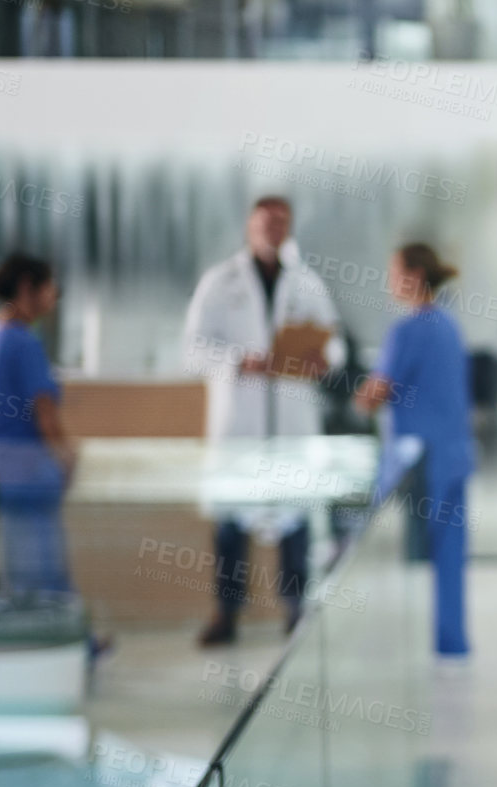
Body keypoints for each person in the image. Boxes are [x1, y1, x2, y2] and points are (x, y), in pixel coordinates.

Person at [182, 195, 340, 645]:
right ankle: (226, 614)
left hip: (290, 421)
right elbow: (192, 351)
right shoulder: (219, 282)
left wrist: (322, 359)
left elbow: (334, 344)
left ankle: (295, 609)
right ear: (251, 226)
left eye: (282, 222)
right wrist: (238, 361)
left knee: (295, 522)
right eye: (267, 222)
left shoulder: (306, 283)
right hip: (241, 423)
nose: (275, 229)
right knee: (231, 522)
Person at [354, 243, 474, 657]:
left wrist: (353, 391)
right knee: (450, 558)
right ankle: (452, 643)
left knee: (373, 553)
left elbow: (375, 394)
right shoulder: (449, 325)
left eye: (394, 272)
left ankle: (379, 647)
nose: (389, 282)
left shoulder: (406, 331)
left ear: (415, 277)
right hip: (454, 454)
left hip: (420, 462)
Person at [0, 253, 78, 595]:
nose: (53, 296)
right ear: (27, 287)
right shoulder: (23, 341)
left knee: (17, 568)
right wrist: (67, 456)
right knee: (44, 569)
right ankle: (66, 642)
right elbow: (44, 411)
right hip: (28, 468)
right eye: (49, 287)